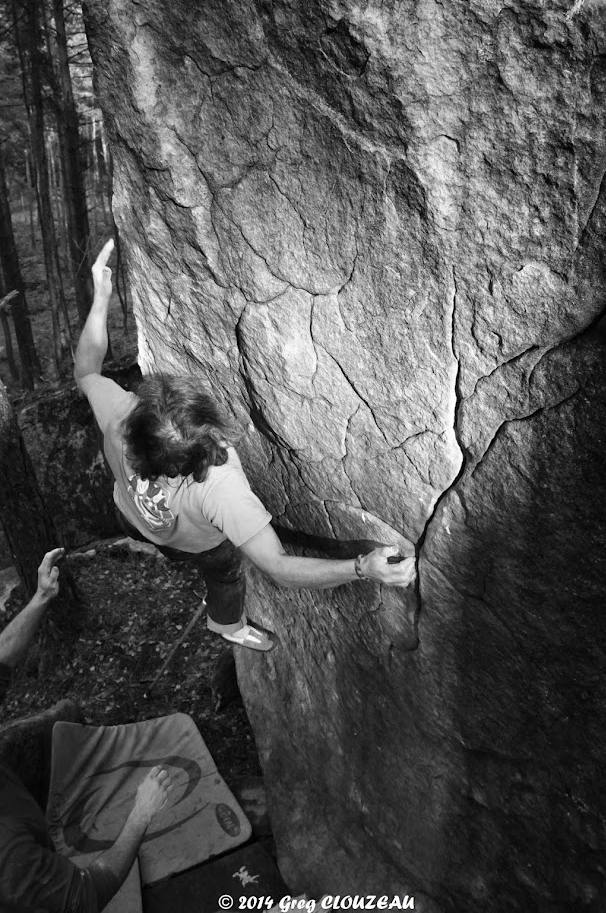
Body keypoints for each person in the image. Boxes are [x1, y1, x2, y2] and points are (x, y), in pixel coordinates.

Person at [74, 240, 416, 652]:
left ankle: (218, 611)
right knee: (226, 569)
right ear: (208, 430)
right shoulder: (220, 488)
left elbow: (86, 371)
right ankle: (228, 625)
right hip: (194, 542)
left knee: (178, 546)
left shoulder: (119, 416)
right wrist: (363, 567)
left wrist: (102, 299)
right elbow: (278, 567)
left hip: (131, 514)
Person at [0, 549, 173, 912]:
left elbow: (1, 657)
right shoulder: (10, 858)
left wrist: (41, 597)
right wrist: (142, 812)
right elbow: (86, 895)